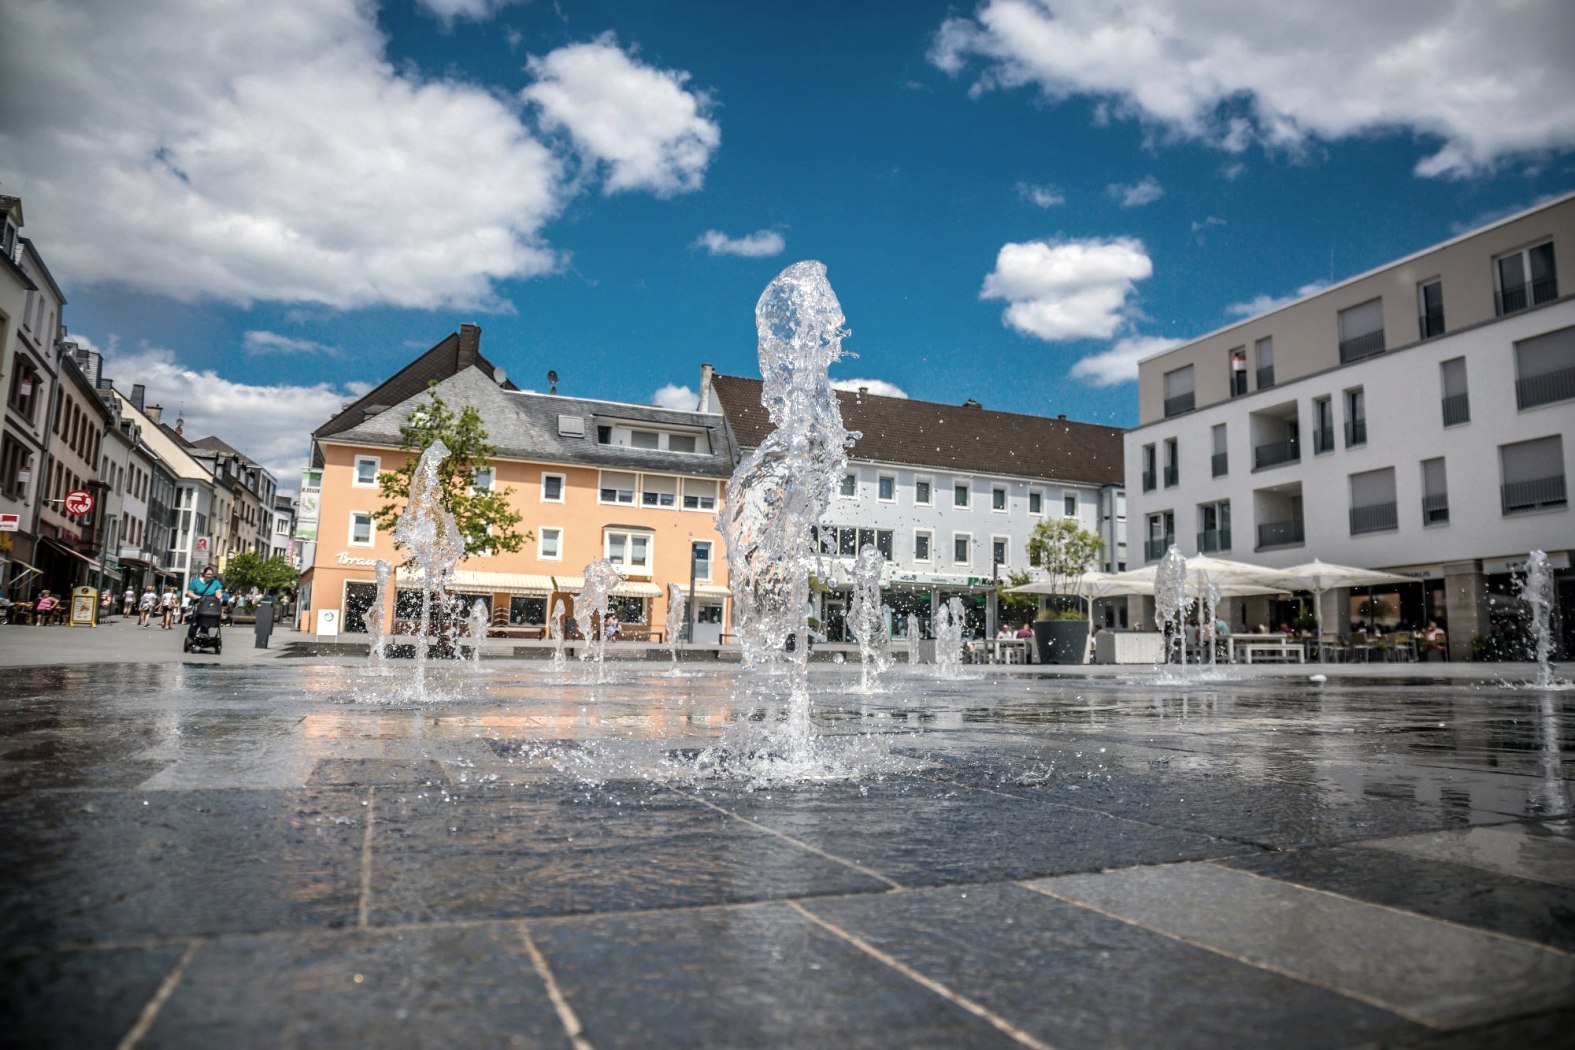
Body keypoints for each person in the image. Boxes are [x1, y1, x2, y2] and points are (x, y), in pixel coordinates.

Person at [186, 568, 225, 642]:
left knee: (208, 618)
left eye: (211, 574)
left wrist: (218, 597)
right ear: (204, 574)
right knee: (195, 621)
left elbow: (219, 593)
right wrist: (197, 597)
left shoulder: (215, 582)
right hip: (198, 603)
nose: (209, 576)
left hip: (210, 604)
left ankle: (204, 633)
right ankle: (191, 637)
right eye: (208, 574)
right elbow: (189, 592)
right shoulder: (195, 582)